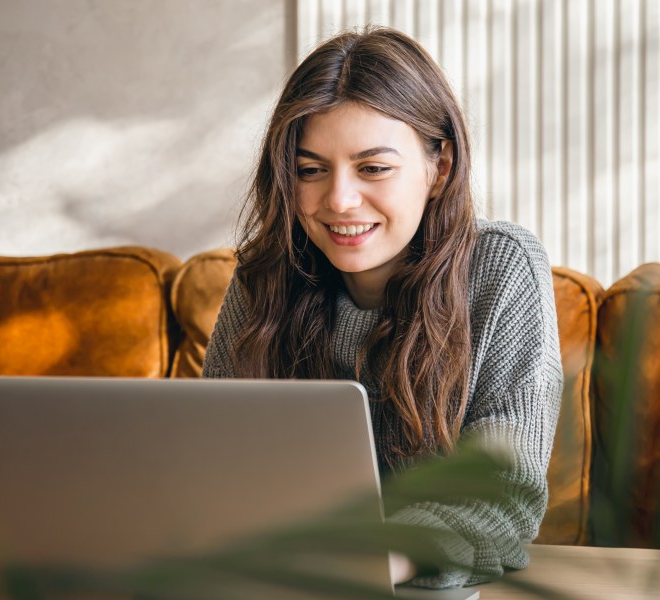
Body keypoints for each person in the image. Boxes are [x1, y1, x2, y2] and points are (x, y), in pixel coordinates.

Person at [202, 26, 562, 589]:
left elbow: (503, 490)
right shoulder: (264, 277)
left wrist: (379, 556)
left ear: (438, 168)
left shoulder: (501, 267)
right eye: (310, 169)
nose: (339, 199)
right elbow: (205, 460)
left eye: (373, 168)